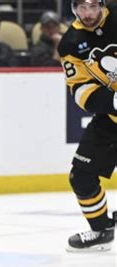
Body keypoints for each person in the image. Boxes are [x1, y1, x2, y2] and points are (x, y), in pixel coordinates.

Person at [57, 0, 116, 252]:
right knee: (80, 176)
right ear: (73, 8)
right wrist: (113, 101)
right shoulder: (70, 43)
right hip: (111, 119)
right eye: (82, 7)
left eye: (93, 6)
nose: (88, 13)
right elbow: (80, 90)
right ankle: (101, 230)